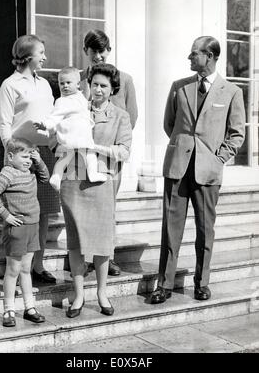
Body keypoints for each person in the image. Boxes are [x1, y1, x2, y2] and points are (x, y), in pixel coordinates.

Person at [150, 36, 246, 305]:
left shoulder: (231, 92)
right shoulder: (179, 88)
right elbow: (170, 124)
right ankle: (165, 283)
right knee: (170, 229)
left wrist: (217, 158)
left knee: (205, 229)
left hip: (208, 171)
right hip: (177, 168)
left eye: (194, 54)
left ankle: (202, 283)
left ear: (211, 56)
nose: (189, 58)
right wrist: (183, 147)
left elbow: (237, 134)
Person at [60, 63, 132, 318]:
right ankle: (78, 295)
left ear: (112, 89)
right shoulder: (75, 108)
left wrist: (95, 148)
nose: (98, 90)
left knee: (102, 242)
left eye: (103, 85)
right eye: (94, 84)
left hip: (101, 182)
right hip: (72, 182)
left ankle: (102, 293)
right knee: (76, 242)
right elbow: (57, 138)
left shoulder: (120, 116)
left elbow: (124, 151)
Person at [0, 34, 60, 284]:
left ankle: (38, 265)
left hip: (44, 153)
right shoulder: (10, 85)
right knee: (19, 211)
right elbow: (4, 125)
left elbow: (52, 116)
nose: (45, 57)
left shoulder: (45, 84)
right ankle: (15, 266)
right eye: (41, 52)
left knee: (42, 213)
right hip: (20, 155)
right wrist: (12, 156)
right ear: (27, 56)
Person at [80, 29, 138, 276]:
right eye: (94, 51)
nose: (98, 56)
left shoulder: (123, 79)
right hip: (81, 154)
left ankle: (107, 256)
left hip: (110, 155)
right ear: (86, 52)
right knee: (82, 207)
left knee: (107, 207)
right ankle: (83, 256)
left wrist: (113, 141)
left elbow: (131, 115)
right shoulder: (79, 78)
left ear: (109, 51)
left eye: (102, 51)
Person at [0, 138, 48, 327]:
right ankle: (8, 310)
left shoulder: (30, 171)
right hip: (17, 229)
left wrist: (39, 161)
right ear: (11, 157)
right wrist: (5, 215)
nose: (28, 161)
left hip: (33, 227)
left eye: (30, 157)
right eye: (24, 156)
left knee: (26, 269)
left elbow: (45, 177)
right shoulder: (8, 174)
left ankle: (30, 308)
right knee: (13, 271)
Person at [33, 66, 107, 191]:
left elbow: (86, 97)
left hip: (75, 136)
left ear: (78, 84)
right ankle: (91, 173)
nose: (65, 86)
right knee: (89, 154)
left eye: (68, 83)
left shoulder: (80, 97)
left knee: (66, 158)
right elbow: (54, 117)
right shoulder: (62, 101)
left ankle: (56, 176)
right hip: (77, 136)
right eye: (62, 83)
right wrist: (45, 125)